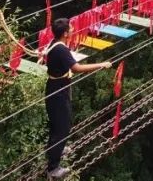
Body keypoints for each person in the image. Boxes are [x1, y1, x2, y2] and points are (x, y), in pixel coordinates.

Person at [45, 17, 112, 179]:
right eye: (71, 28)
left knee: (57, 123)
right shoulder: (61, 49)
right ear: (65, 33)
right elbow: (76, 68)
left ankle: (55, 149)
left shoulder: (54, 43)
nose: (74, 30)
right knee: (63, 127)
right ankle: (53, 168)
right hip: (58, 92)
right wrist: (101, 65)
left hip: (56, 89)